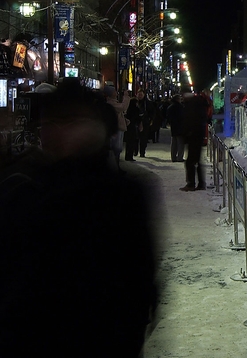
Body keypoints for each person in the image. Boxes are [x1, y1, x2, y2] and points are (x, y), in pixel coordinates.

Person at [0, 79, 159, 356]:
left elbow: (139, 278)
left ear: (96, 128)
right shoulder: (21, 185)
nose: (61, 132)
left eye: (72, 121)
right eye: (52, 123)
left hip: (102, 339)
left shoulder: (121, 194)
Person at [180, 90, 211, 191]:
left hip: (194, 136)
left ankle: (191, 183)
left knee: (190, 161)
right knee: (196, 160)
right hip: (198, 135)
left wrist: (188, 133)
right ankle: (200, 183)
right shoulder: (199, 104)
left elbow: (190, 121)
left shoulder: (192, 105)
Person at [103, 84, 131, 171]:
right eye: (114, 91)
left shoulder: (113, 102)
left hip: (118, 127)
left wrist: (124, 119)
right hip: (116, 128)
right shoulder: (111, 103)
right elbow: (123, 107)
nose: (116, 92)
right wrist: (126, 97)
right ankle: (115, 167)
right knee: (116, 148)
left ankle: (116, 167)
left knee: (117, 149)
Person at [124, 89, 145, 161]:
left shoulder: (129, 110)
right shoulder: (136, 109)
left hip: (129, 126)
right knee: (132, 141)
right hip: (133, 127)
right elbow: (138, 117)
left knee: (129, 142)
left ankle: (128, 155)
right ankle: (130, 156)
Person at [167, 94, 185, 162]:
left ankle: (173, 157)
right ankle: (180, 157)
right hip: (180, 126)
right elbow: (183, 116)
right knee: (180, 143)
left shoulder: (170, 107)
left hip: (173, 127)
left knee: (174, 143)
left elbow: (168, 116)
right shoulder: (180, 107)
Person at [138, 90, 157, 156]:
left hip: (145, 122)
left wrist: (150, 119)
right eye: (139, 94)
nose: (139, 96)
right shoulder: (135, 102)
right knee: (136, 137)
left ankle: (142, 152)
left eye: (141, 94)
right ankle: (135, 150)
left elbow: (152, 112)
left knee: (144, 137)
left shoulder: (148, 103)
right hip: (136, 122)